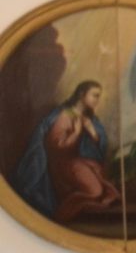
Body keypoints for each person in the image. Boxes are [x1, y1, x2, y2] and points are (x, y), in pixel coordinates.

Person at [12, 80, 121, 224]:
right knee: (96, 192)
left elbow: (98, 147)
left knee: (103, 185)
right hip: (62, 165)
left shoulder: (88, 118)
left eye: (99, 96)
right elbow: (56, 146)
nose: (97, 100)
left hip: (77, 162)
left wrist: (93, 133)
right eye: (95, 95)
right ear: (82, 94)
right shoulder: (65, 115)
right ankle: (62, 212)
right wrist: (76, 133)